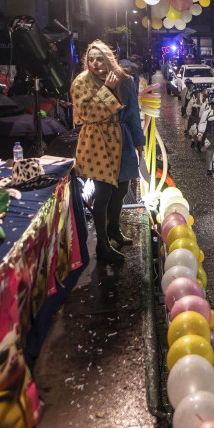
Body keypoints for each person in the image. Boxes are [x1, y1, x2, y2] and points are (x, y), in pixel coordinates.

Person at [71, 40, 145, 263]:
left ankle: (114, 229)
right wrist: (106, 90)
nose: (95, 63)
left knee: (122, 189)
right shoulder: (81, 82)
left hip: (122, 139)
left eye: (100, 58)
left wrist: (138, 141)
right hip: (96, 141)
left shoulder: (125, 80)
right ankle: (102, 244)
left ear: (108, 59)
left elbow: (132, 113)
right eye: (91, 59)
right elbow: (85, 114)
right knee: (103, 194)